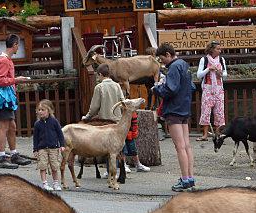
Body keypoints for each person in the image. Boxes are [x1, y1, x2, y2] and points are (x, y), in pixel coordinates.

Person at [83, 63, 149, 176]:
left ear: (100, 74)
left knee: (108, 148)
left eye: (98, 75)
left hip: (105, 121)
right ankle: (122, 168)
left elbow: (94, 106)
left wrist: (88, 116)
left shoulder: (99, 87)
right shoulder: (117, 86)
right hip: (118, 120)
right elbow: (123, 101)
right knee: (118, 146)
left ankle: (111, 171)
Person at [153, 43, 196, 192]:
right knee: (187, 145)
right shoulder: (184, 65)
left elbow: (170, 89)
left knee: (179, 147)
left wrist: (157, 88)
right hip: (185, 109)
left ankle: (184, 180)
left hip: (174, 110)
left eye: (161, 58)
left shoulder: (173, 68)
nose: (161, 61)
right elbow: (192, 87)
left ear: (167, 54)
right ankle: (190, 178)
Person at [0, 34, 32, 169]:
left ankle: (13, 154)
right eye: (18, 45)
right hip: (4, 98)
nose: (18, 48)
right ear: (14, 45)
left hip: (7, 98)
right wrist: (16, 79)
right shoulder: (4, 60)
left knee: (12, 126)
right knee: (4, 126)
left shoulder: (4, 59)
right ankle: (2, 157)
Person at [196, 40, 227, 141]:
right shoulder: (204, 60)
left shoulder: (221, 60)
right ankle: (205, 135)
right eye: (218, 49)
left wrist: (220, 72)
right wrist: (209, 69)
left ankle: (218, 134)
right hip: (207, 88)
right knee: (206, 111)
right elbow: (199, 75)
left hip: (218, 89)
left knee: (219, 112)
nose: (220, 50)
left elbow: (225, 75)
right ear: (212, 49)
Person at [33, 100, 65, 191]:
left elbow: (60, 134)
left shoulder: (54, 121)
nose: (40, 112)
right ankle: (45, 183)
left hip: (53, 148)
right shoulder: (37, 124)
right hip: (42, 148)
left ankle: (56, 183)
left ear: (49, 110)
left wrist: (62, 145)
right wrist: (35, 149)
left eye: (43, 110)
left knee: (54, 166)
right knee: (42, 165)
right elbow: (35, 138)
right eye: (39, 110)